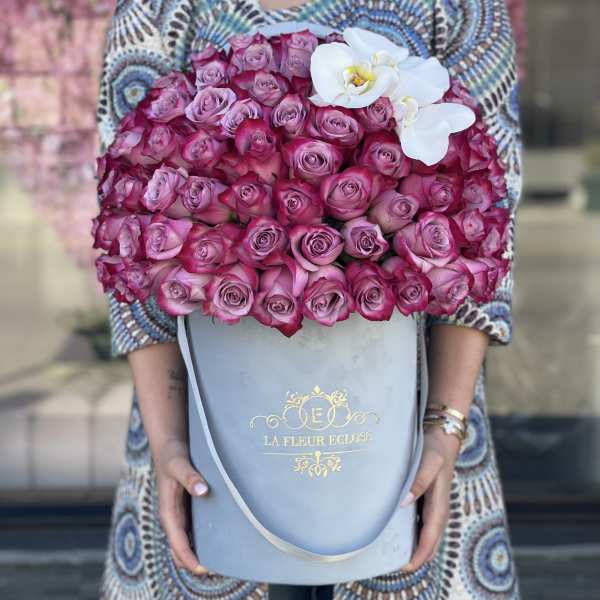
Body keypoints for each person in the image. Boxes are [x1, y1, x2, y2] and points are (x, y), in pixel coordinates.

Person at [96, 1, 522, 598]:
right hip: (202, 441)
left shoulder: (456, 9)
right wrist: (169, 442)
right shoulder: (158, 10)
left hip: (415, 438)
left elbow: (487, 218)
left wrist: (445, 426)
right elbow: (130, 222)